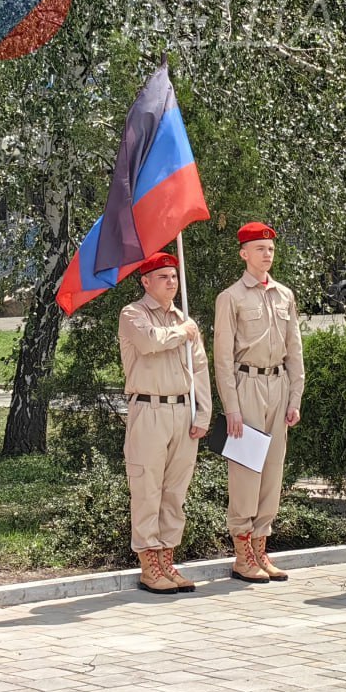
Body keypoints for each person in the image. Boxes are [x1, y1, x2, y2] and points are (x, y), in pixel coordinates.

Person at [213, 222, 305, 583]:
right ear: (244, 254)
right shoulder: (231, 297)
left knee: (271, 472)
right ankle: (242, 555)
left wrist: (295, 396)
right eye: (259, 248)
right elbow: (222, 358)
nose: (267, 254)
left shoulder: (284, 294)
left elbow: (294, 350)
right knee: (246, 472)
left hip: (278, 385)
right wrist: (231, 407)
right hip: (246, 386)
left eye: (270, 248)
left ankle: (261, 550)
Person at [118, 251, 211, 594]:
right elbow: (147, 342)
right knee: (147, 489)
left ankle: (167, 561)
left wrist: (203, 414)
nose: (171, 282)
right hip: (149, 409)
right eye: (163, 277)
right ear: (145, 281)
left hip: (181, 411)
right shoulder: (133, 314)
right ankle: (149, 565)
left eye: (174, 276)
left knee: (175, 492)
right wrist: (181, 332)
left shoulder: (184, 319)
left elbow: (200, 370)